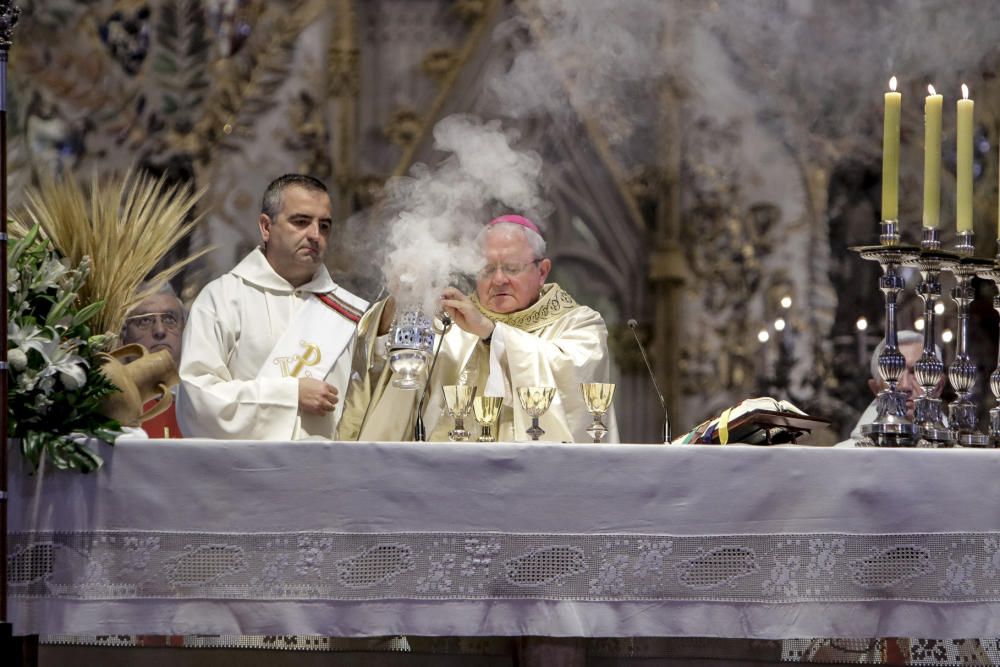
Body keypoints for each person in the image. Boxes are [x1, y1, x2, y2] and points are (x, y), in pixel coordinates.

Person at [340, 214, 618, 443]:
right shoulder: (450, 323)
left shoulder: (579, 323)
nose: (498, 280)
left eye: (511, 268)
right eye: (487, 270)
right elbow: (380, 365)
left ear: (542, 271)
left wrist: (492, 333)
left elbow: (573, 378)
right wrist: (402, 301)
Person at [177, 174, 368, 440]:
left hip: (326, 473)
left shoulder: (351, 312)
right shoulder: (223, 298)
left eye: (324, 226)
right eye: (301, 222)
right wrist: (289, 395)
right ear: (266, 227)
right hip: (247, 473)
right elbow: (198, 396)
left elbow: (375, 398)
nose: (315, 235)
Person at [838, 329, 942, 446]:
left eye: (917, 372)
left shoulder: (962, 454)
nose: (905, 386)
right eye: (893, 373)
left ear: (939, 386)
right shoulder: (842, 457)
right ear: (876, 389)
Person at [121, 283, 187, 438]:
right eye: (144, 321)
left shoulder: (203, 402)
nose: (160, 331)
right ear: (122, 334)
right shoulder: (109, 405)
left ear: (184, 328)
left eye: (169, 319)